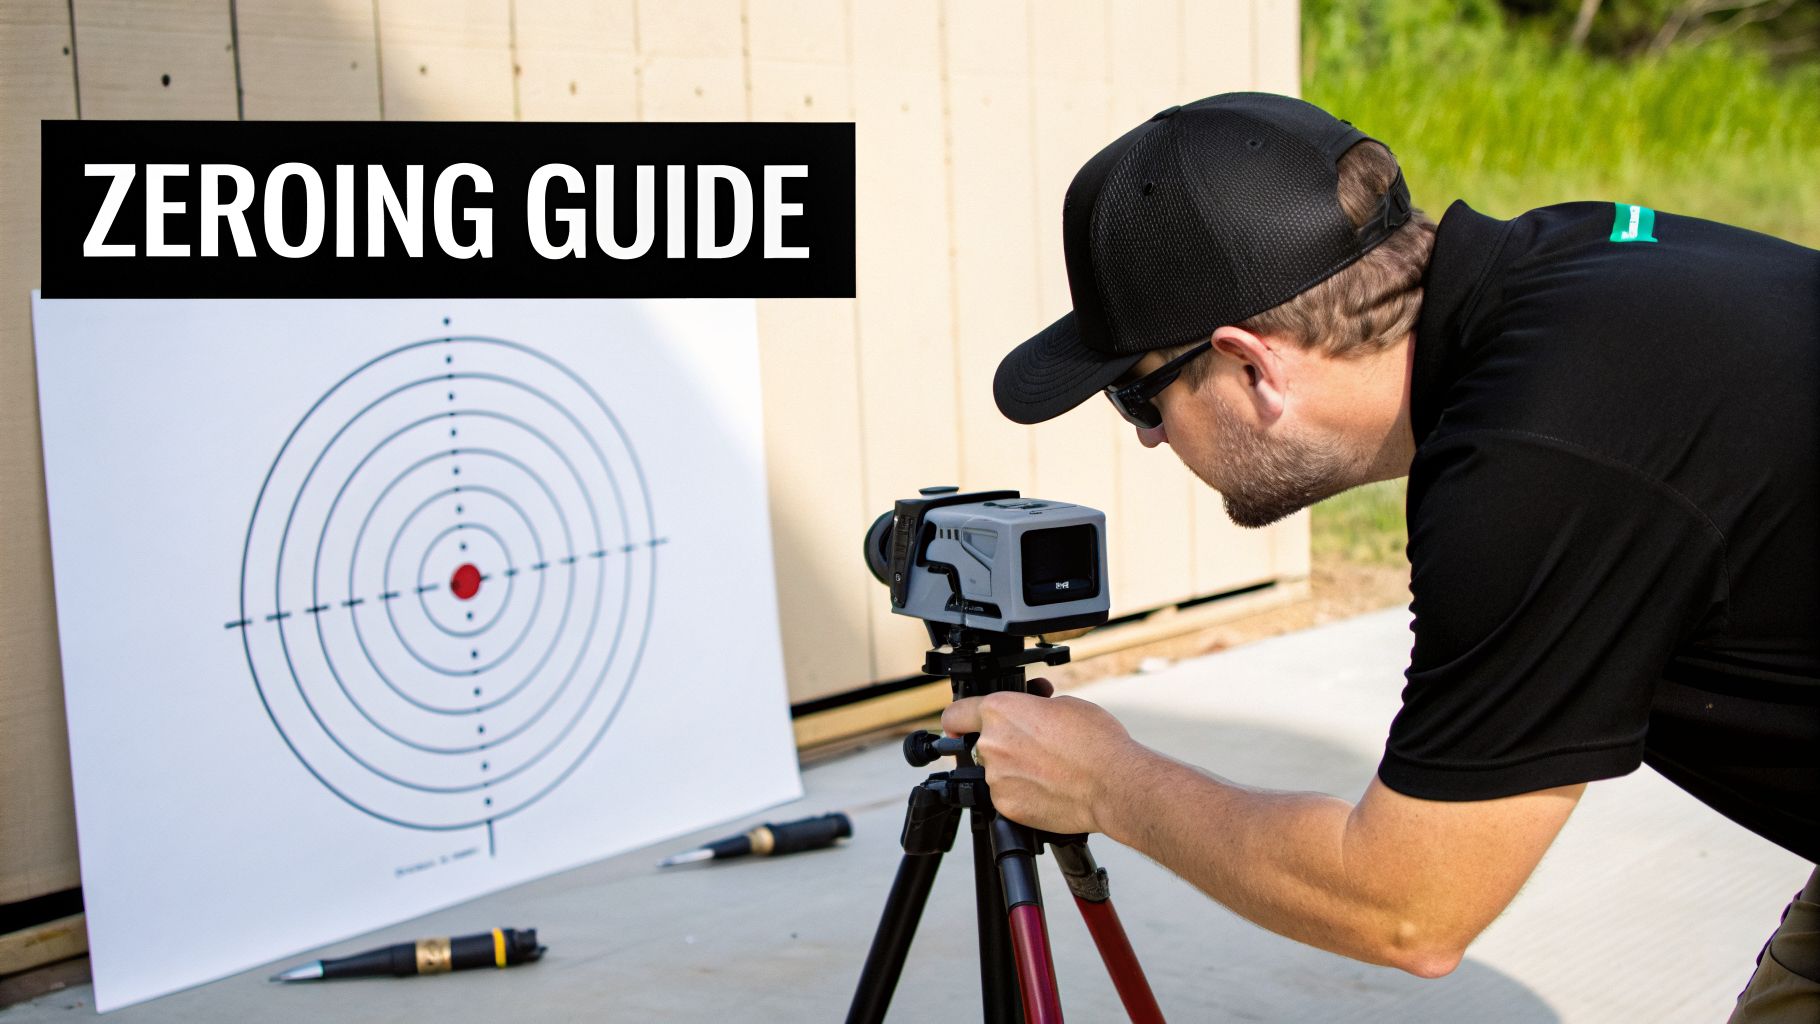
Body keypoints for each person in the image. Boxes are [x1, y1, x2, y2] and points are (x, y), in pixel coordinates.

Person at [958, 92, 1820, 1019]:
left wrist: (1107, 782)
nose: (1150, 440)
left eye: (1139, 399)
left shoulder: (1533, 467)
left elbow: (1407, 908)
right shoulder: (1567, 269)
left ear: (1253, 365)